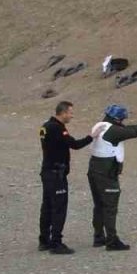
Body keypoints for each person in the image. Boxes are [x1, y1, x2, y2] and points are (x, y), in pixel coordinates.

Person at [86, 104, 137, 251]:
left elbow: (126, 129)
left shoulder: (101, 125)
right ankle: (112, 241)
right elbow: (131, 132)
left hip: (94, 169)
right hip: (107, 173)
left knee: (99, 205)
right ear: (117, 119)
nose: (122, 121)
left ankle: (99, 237)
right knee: (110, 207)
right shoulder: (113, 130)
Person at [38, 101, 93, 254]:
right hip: (56, 174)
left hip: (47, 172)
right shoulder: (56, 128)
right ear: (62, 113)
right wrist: (91, 137)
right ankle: (56, 243)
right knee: (58, 208)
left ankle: (44, 240)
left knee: (47, 207)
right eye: (70, 112)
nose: (71, 116)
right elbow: (74, 144)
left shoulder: (46, 126)